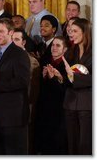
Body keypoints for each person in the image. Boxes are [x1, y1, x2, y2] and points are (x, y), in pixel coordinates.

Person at [0, 18, 30, 154]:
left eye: (1, 31)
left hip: (13, 116)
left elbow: (22, 81)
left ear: (11, 32)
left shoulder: (19, 54)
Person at [34, 36, 68, 155]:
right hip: (43, 108)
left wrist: (54, 78)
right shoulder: (45, 61)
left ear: (64, 49)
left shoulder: (67, 66)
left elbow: (63, 91)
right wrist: (43, 77)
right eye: (53, 45)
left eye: (58, 45)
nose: (54, 48)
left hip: (58, 110)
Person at [62, 18, 92, 155]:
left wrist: (74, 76)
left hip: (88, 105)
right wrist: (58, 75)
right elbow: (67, 79)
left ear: (85, 32)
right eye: (70, 31)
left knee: (84, 144)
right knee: (72, 144)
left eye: (74, 31)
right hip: (70, 104)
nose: (71, 34)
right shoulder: (70, 52)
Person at [12, 28, 40, 154]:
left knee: (24, 142)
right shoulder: (4, 56)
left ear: (24, 42)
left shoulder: (32, 61)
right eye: (11, 39)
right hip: (8, 108)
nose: (13, 42)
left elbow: (32, 90)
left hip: (24, 107)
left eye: (16, 40)